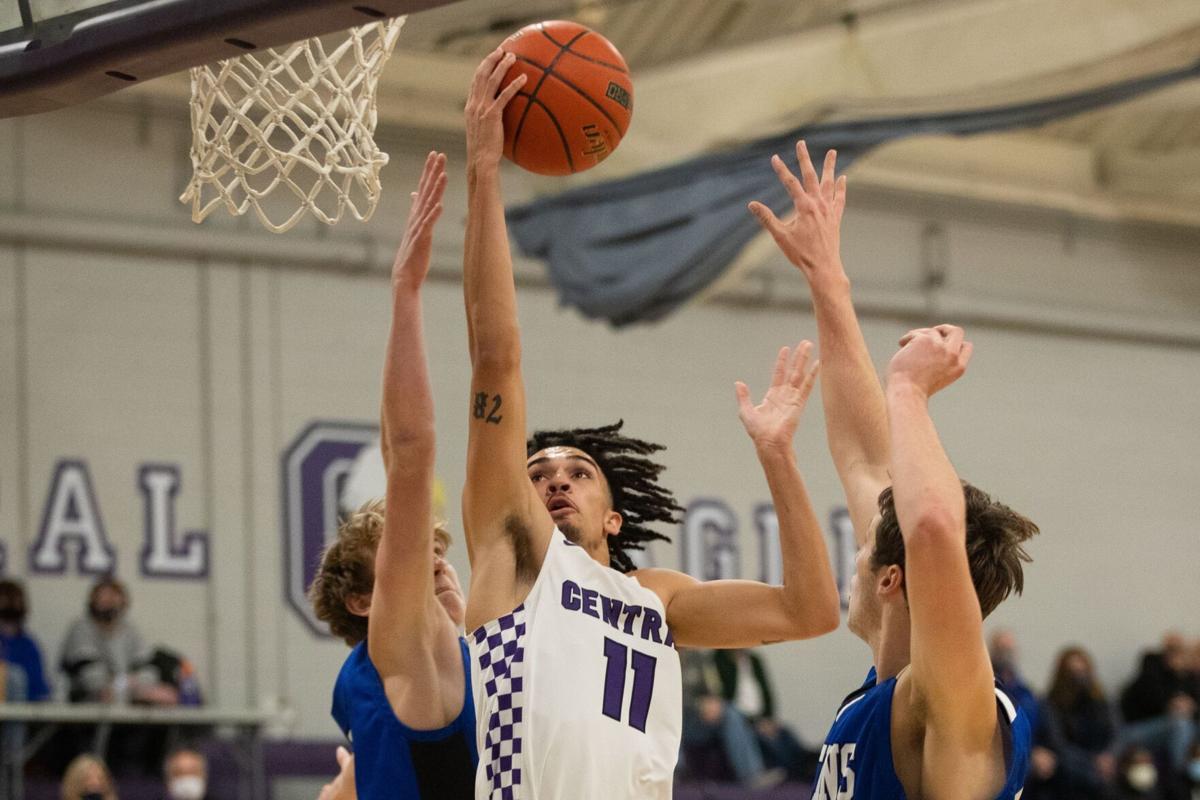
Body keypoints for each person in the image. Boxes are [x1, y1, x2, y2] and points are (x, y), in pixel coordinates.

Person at [460, 49, 841, 799]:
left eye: (577, 472)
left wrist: (777, 456)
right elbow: (496, 358)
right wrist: (484, 173)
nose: (554, 480)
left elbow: (812, 611)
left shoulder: (656, 599)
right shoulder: (513, 553)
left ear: (614, 515)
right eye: (538, 474)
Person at [748, 140, 1037, 798]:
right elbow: (864, 455)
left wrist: (909, 391)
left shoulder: (954, 700)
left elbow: (931, 525)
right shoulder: (881, 694)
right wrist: (828, 280)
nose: (855, 549)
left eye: (864, 548)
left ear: (891, 580)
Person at [308, 152, 477, 800]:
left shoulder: (376, 674)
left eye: (430, 548)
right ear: (364, 601)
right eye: (405, 554)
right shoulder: (405, 649)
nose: (428, 556)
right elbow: (409, 450)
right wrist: (406, 293)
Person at [59, 577, 175, 706]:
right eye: (103, 597)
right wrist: (129, 685)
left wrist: (122, 685)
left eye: (113, 597)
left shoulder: (130, 630)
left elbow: (149, 673)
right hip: (85, 706)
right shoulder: (81, 628)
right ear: (93, 600)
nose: (108, 601)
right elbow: (91, 678)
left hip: (126, 704)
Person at [713, 648, 817, 782]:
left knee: (787, 734)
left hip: (761, 717)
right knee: (771, 742)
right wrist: (754, 722)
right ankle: (797, 770)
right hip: (741, 719)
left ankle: (809, 761)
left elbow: (767, 693)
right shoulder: (719, 660)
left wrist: (768, 719)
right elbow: (725, 697)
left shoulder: (754, 661)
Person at [1037, 646, 1119, 800]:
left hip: (1102, 758)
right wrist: (1093, 761)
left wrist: (1109, 756)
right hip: (1072, 761)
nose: (1079, 678)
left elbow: (1116, 731)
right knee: (1077, 770)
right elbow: (1058, 743)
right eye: (1073, 673)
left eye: (1082, 672)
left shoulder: (1101, 701)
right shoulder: (1050, 703)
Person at [1120, 632, 1200, 774]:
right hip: (1138, 730)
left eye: (1179, 650)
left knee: (1184, 724)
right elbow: (1151, 697)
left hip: (1173, 728)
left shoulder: (1189, 678)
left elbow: (1193, 707)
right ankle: (1181, 779)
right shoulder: (1152, 666)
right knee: (1180, 724)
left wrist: (1191, 706)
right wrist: (1172, 703)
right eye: (1171, 649)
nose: (1175, 655)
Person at [0, 579, 51, 702]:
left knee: (17, 676)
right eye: (5, 601)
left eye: (15, 601)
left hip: (22, 712)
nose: (10, 606)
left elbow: (39, 688)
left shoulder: (29, 645)